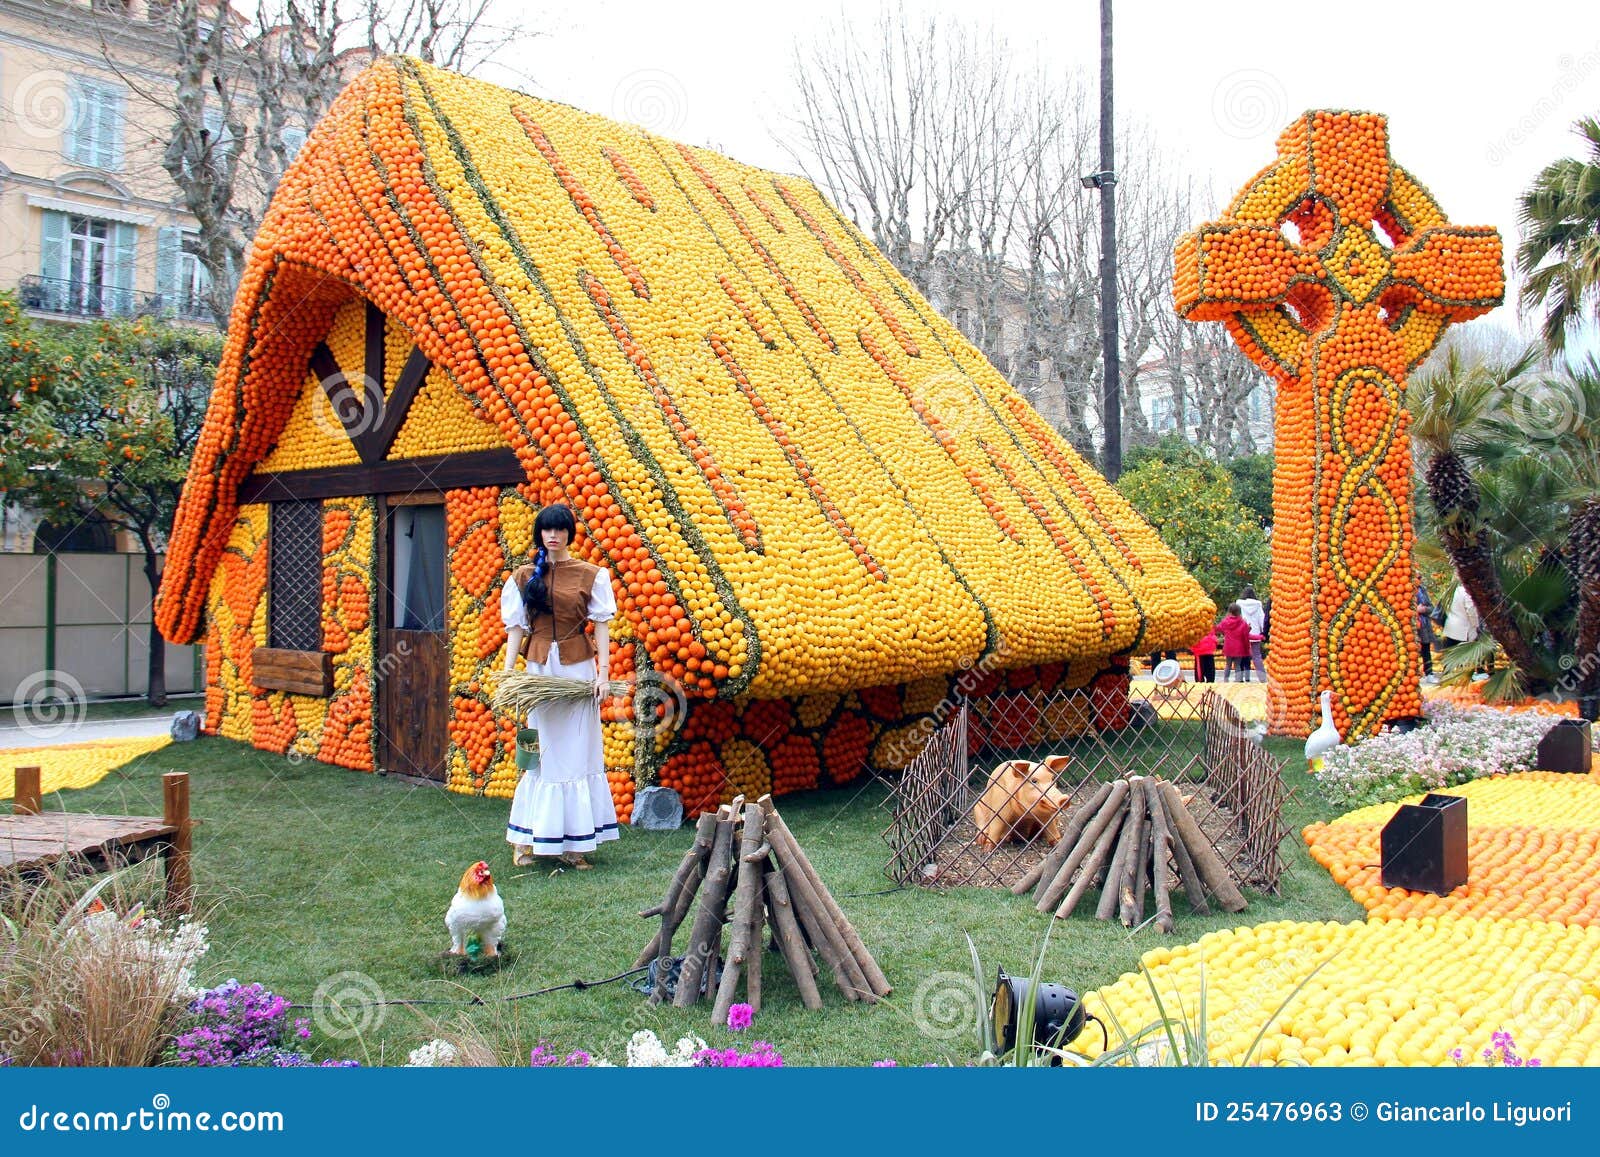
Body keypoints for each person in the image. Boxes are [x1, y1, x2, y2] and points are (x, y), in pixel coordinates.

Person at [499, 503, 618, 870]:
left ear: (569, 533)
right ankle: (525, 840)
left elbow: (601, 625)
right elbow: (516, 629)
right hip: (538, 672)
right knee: (539, 753)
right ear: (539, 534)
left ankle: (574, 844)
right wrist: (509, 678)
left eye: (560, 530)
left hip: (577, 670)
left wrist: (603, 674)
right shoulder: (522, 576)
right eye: (547, 530)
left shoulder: (591, 575)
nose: (553, 536)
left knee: (578, 751)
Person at [1238, 584, 1267, 683]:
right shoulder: (1258, 606)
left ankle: (1241, 677)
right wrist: (1264, 632)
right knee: (1257, 656)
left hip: (1242, 634)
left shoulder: (1239, 605)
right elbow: (1262, 619)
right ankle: (1262, 678)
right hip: (1255, 634)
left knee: (1241, 656)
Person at [1217, 603, 1253, 683]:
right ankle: (1238, 680)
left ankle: (1226, 680)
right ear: (1239, 612)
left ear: (1229, 611)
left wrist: (1224, 633)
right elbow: (1245, 635)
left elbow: (1218, 628)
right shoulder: (1243, 623)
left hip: (1228, 647)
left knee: (1228, 665)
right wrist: (1248, 628)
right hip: (1239, 648)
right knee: (1238, 665)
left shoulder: (1225, 621)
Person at [1441, 584, 1479, 649]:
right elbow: (1471, 612)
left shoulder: (1452, 590)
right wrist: (1476, 625)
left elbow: (1445, 605)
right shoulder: (1467, 592)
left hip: (1450, 628)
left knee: (1450, 656)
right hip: (1462, 632)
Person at [1415, 584, 1437, 683]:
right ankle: (1414, 674)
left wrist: (1424, 609)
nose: (1419, 580)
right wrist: (1415, 610)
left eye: (1419, 578)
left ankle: (1429, 673)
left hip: (1424, 625)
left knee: (1426, 649)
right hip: (1411, 625)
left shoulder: (1422, 589)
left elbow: (1431, 608)